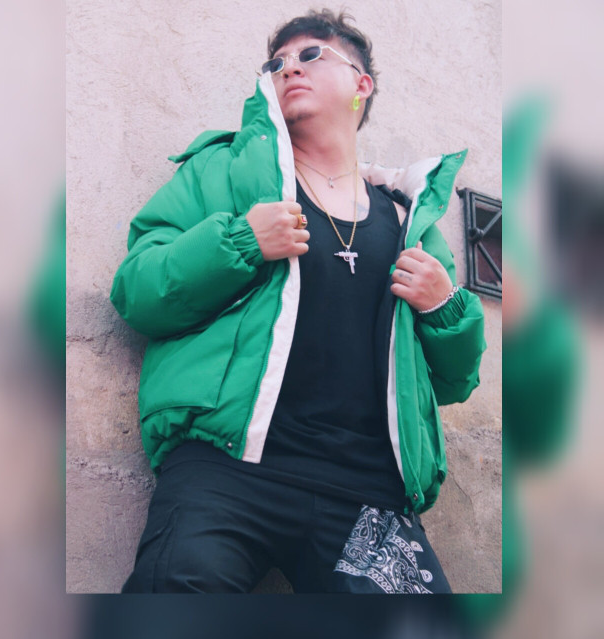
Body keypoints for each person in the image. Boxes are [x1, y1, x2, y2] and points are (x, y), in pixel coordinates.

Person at [110, 9, 486, 594]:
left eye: (311, 55)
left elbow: (454, 383)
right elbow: (137, 291)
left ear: (361, 85)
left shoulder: (410, 221)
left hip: (368, 491)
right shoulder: (223, 171)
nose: (289, 68)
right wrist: (241, 242)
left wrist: (445, 309)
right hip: (228, 468)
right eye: (276, 63)